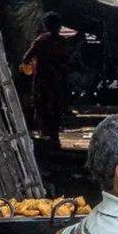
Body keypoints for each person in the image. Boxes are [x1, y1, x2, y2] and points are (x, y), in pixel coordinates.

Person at [21, 12, 71, 146]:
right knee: (55, 107)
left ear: (45, 25)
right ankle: (54, 135)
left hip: (42, 79)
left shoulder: (40, 40)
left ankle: (45, 135)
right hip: (58, 80)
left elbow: (26, 58)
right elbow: (68, 62)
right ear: (59, 27)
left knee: (41, 106)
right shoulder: (63, 42)